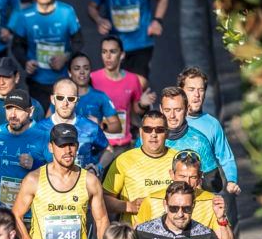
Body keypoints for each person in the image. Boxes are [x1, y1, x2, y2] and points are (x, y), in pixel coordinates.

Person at [8, 0, 83, 105]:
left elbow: (79, 41)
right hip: (37, 82)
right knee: (41, 123)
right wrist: (25, 62)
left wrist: (65, 57)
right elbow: (16, 45)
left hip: (63, 80)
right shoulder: (24, 16)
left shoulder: (67, 12)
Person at [87, 0, 168, 79]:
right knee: (119, 86)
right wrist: (99, 20)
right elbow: (91, 7)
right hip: (116, 46)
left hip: (142, 43)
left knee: (139, 84)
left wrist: (157, 21)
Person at [102, 109, 176, 225]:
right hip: (135, 236)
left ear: (167, 133)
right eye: (147, 129)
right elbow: (104, 200)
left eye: (159, 130)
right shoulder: (123, 160)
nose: (153, 134)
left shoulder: (178, 160)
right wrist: (128, 206)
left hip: (171, 235)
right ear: (141, 132)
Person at [179, 66, 242, 198]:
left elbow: (226, 157)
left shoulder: (212, 124)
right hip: (176, 197)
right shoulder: (170, 122)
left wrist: (231, 181)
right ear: (181, 91)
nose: (197, 95)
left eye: (201, 90)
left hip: (205, 195)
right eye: (191, 90)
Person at [0, 89, 46, 207]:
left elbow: (57, 172)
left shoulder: (44, 135)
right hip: (3, 209)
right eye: (9, 108)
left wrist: (35, 165)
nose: (13, 115)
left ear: (30, 111)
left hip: (32, 212)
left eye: (19, 109)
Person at [30, 78, 112, 173]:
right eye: (60, 98)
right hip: (49, 185)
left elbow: (109, 150)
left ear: (77, 101)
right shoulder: (39, 129)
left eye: (71, 99)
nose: (65, 103)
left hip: (82, 185)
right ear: (52, 99)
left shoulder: (90, 128)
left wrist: (97, 168)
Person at [90, 34, 154, 154]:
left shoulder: (133, 79)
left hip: (123, 145)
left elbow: (136, 110)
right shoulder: (92, 79)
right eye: (104, 52)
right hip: (99, 144)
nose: (108, 56)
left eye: (112, 52)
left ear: (122, 55)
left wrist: (142, 104)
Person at [158, 86, 219, 190]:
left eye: (178, 110)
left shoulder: (200, 141)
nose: (172, 116)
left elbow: (215, 185)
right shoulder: (146, 139)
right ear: (160, 109)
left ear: (187, 109)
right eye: (167, 110)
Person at [65, 51, 122, 136]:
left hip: (93, 147)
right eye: (77, 68)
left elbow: (118, 126)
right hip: (66, 147)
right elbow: (47, 124)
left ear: (90, 71)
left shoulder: (100, 97)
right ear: (69, 72)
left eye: (86, 68)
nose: (82, 72)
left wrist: (101, 125)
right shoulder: (62, 96)